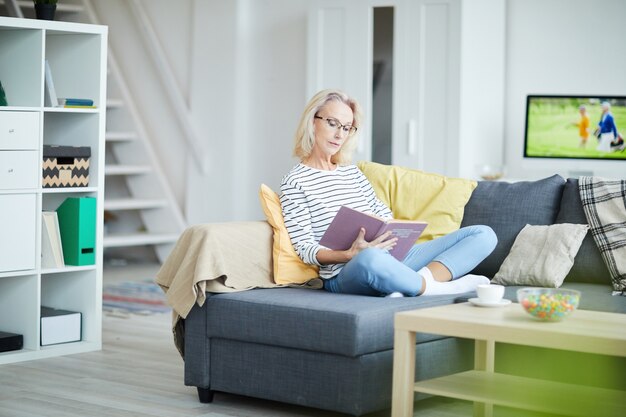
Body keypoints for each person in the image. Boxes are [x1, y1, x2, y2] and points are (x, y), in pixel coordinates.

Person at [279, 89, 497, 297]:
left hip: (391, 257)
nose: (339, 134)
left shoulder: (351, 172)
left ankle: (417, 283)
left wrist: (391, 226)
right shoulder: (295, 182)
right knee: (370, 258)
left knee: (483, 235)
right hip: (346, 271)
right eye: (333, 123)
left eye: (346, 128)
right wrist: (349, 254)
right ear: (312, 121)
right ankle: (435, 288)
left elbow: (381, 211)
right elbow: (304, 248)